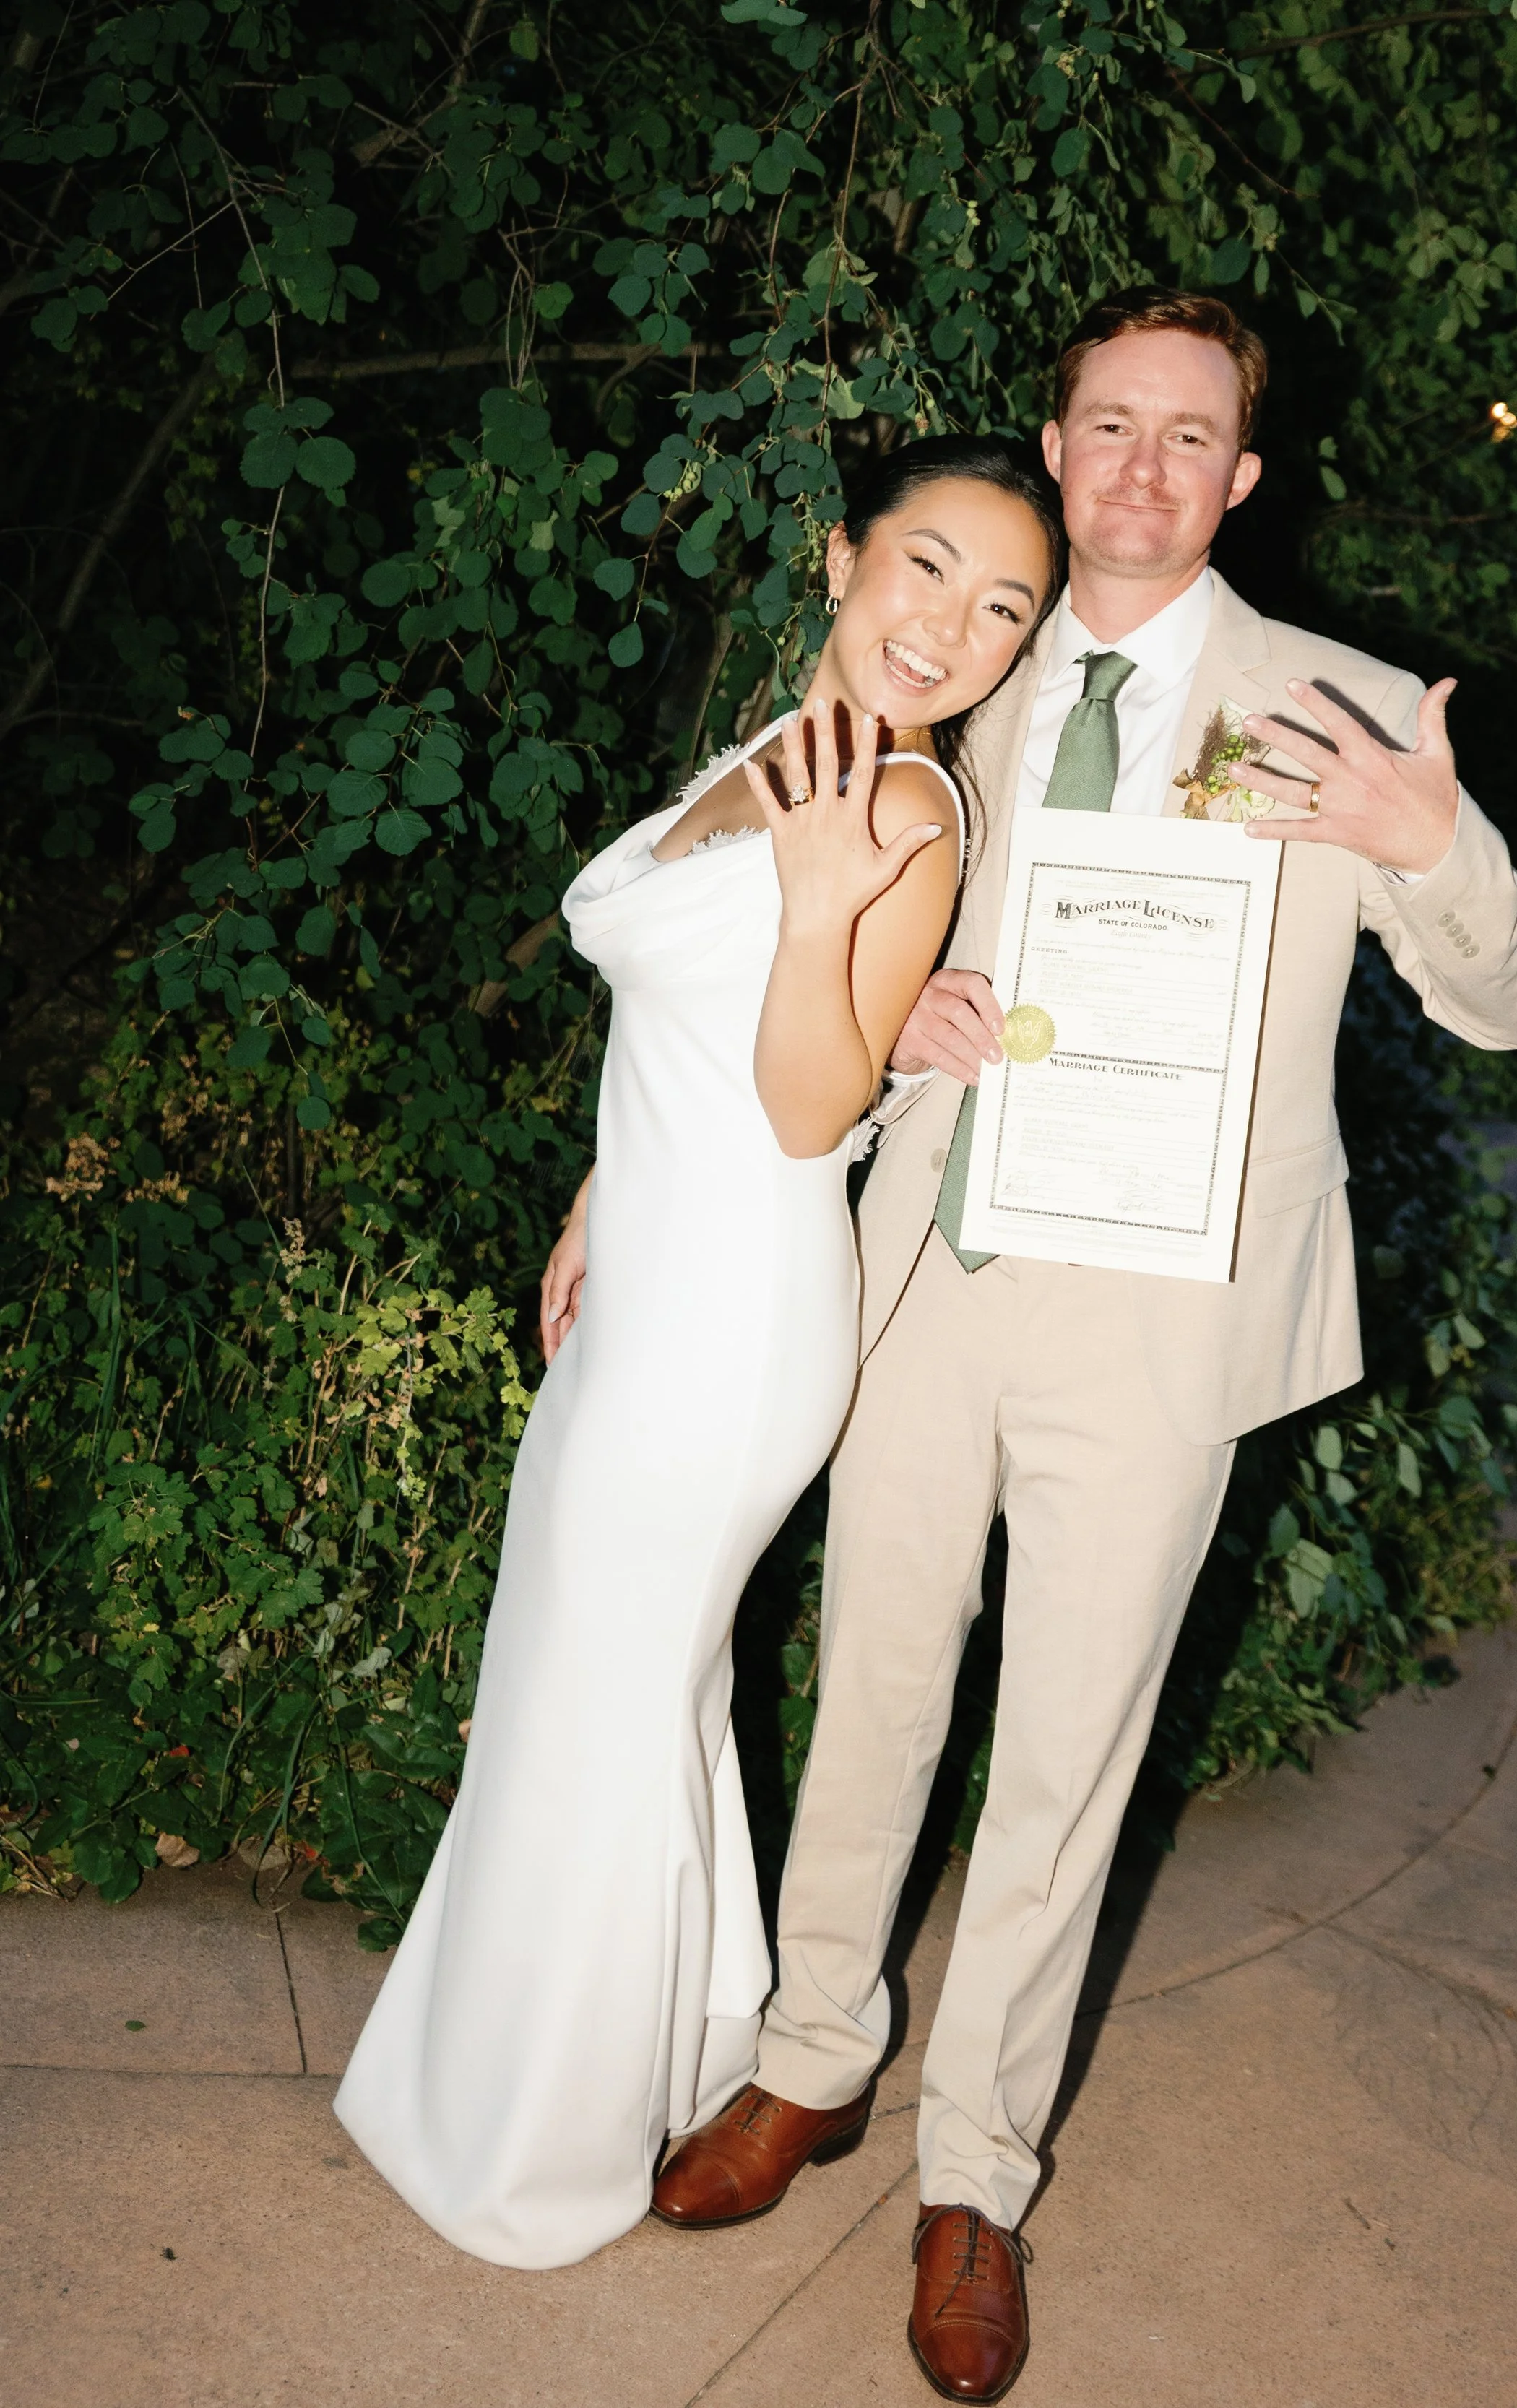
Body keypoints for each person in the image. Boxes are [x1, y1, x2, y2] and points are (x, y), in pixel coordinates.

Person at [650, 289, 1517, 2401]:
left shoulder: (1329, 709)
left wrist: (1427, 847)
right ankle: (809, 2060)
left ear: (1241, 473)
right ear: (1054, 448)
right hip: (930, 1274)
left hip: (1160, 1317)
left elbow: (1506, 1001)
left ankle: (975, 2168)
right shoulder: (953, 659)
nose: (1141, 467)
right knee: (867, 1679)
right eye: (1105, 425)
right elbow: (786, 952)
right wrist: (899, 1044)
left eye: (1189, 436)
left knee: (1066, 1751)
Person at [332, 434, 1065, 2270]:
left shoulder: (900, 810)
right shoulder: (773, 750)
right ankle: (627, 2042)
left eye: (1003, 610)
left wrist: (827, 903)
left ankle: (542, 2134)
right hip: (654, 1267)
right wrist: (598, 1189)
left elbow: (811, 1105)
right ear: (839, 560)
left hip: (735, 1319)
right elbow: (677, 1019)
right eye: (924, 569)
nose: (949, 628)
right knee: (588, 1680)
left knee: (606, 1687)